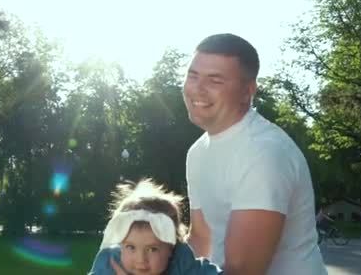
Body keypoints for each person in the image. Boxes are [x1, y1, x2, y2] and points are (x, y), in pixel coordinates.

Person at [183, 34, 327, 274]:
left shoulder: (264, 152)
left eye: (215, 80)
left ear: (247, 91)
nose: (198, 88)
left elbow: (244, 269)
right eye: (192, 75)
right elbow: (201, 239)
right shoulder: (197, 151)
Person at [89, 179, 221, 275]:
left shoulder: (181, 260)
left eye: (152, 249)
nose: (141, 260)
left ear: (171, 248)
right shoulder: (110, 263)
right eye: (131, 247)